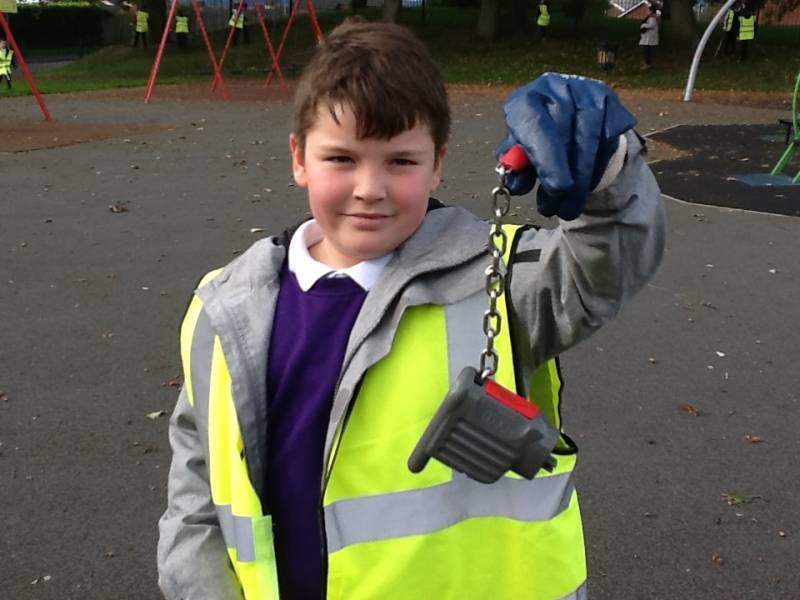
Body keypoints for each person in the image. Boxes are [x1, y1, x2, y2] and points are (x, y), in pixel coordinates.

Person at [157, 21, 665, 600]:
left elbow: (609, 263)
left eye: (400, 161)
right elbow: (196, 491)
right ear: (299, 157)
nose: (370, 187)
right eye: (341, 158)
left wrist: (610, 170)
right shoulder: (224, 307)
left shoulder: (497, 280)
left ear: (438, 163)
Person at [639, 3, 660, 68]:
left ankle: (647, 63)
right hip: (648, 37)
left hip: (649, 37)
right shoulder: (652, 17)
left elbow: (651, 25)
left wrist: (643, 25)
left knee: (647, 51)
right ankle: (646, 62)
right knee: (646, 50)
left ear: (651, 10)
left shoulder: (652, 18)